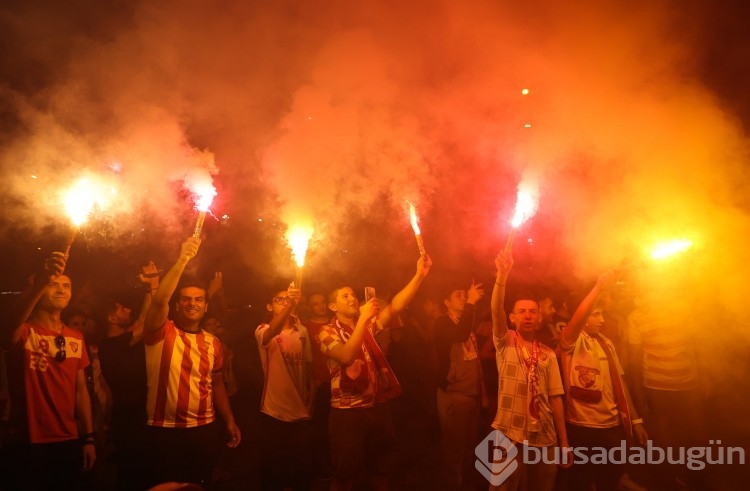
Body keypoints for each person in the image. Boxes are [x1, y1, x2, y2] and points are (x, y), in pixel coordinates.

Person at [317, 255, 432, 491]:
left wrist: (419, 275)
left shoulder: (365, 325)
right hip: (346, 414)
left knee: (380, 470)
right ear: (333, 307)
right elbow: (346, 356)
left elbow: (396, 307)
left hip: (376, 407)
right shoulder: (326, 331)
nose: (352, 298)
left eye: (352, 294)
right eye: (344, 296)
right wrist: (364, 320)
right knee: (344, 476)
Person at [143, 236, 241, 488]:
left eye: (198, 300)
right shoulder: (161, 331)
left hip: (203, 430)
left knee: (198, 487)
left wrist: (229, 419)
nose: (192, 303)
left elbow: (217, 384)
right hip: (164, 430)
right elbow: (159, 300)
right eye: (186, 299)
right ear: (177, 305)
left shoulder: (213, 342)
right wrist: (183, 259)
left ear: (206, 307)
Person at [0, 251, 96, 491]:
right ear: (39, 287)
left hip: (67, 439)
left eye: (67, 285)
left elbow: (80, 391)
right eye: (53, 284)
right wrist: (42, 279)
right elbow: (8, 329)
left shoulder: (76, 337)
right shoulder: (24, 331)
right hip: (27, 440)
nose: (61, 289)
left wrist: (89, 438)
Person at [489, 249, 570, 491]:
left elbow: (556, 398)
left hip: (544, 434)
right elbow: (495, 310)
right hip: (508, 430)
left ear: (539, 318)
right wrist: (502, 275)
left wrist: (564, 442)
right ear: (512, 317)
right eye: (522, 311)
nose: (527, 315)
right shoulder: (506, 341)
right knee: (502, 488)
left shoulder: (547, 353)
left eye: (533, 311)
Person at [558, 271, 648, 491]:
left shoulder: (606, 343)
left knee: (609, 481)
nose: (602, 319)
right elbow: (577, 320)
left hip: (610, 427)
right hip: (582, 427)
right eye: (595, 314)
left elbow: (620, 383)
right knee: (581, 482)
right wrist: (598, 287)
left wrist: (636, 421)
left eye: (602, 314)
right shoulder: (572, 340)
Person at [98, 261, 160, 491]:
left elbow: (142, 318)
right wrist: (153, 285)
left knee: (141, 470)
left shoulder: (122, 341)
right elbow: (145, 322)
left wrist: (149, 289)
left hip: (136, 413)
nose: (128, 310)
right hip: (130, 416)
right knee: (134, 473)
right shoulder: (112, 344)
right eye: (121, 308)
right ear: (111, 319)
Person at [255, 285, 315, 490]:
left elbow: (308, 368)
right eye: (278, 300)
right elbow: (272, 331)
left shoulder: (302, 331)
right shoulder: (262, 330)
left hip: (300, 412)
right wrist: (290, 305)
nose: (283, 302)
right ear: (269, 306)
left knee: (301, 473)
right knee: (274, 474)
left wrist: (310, 400)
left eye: (285, 299)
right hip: (274, 412)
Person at [433, 281, 487, 491]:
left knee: (469, 444)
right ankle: (453, 484)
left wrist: (482, 393)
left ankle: (467, 481)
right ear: (446, 302)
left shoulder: (466, 323)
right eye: (458, 295)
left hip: (471, 394)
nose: (464, 298)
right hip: (454, 394)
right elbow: (459, 335)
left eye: (465, 295)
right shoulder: (442, 323)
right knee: (453, 446)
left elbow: (476, 361)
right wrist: (472, 303)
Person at [304, 291, 334, 479]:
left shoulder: (335, 323)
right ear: (310, 306)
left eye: (323, 302)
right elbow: (307, 358)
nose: (321, 306)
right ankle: (321, 466)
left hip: (339, 381)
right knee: (321, 426)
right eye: (316, 304)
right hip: (320, 382)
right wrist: (312, 382)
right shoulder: (306, 328)